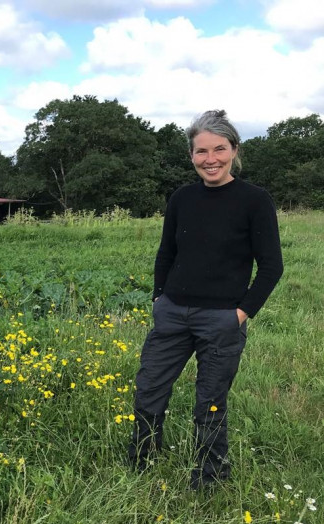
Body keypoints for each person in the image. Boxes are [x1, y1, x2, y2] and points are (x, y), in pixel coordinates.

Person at [128, 109, 284, 490]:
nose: (210, 159)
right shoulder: (182, 198)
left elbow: (271, 266)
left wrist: (241, 314)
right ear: (191, 156)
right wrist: (158, 298)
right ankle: (142, 460)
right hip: (172, 313)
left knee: (210, 402)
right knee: (149, 390)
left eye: (219, 149)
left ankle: (209, 477)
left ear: (234, 150)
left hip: (222, 319)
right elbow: (166, 253)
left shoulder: (254, 200)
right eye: (201, 151)